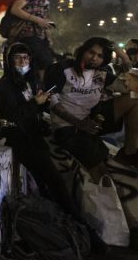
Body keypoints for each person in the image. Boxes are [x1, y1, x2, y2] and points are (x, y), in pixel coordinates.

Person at [0, 43, 105, 247]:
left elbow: (36, 109)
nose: (22, 62)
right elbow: (13, 117)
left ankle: (67, 228)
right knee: (56, 184)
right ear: (9, 61)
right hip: (21, 139)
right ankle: (85, 231)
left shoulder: (30, 81)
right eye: (17, 58)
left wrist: (45, 103)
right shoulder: (5, 85)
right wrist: (34, 104)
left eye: (26, 58)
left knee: (52, 185)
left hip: (36, 136)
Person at [44, 37, 119, 181]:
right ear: (83, 50)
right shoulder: (61, 69)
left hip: (88, 128)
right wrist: (79, 123)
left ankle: (130, 152)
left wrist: (121, 54)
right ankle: (102, 202)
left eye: (100, 56)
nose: (94, 58)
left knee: (104, 172)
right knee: (99, 174)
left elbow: (130, 85)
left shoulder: (101, 75)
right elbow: (52, 101)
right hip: (67, 129)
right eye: (91, 52)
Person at [3, 0, 65, 76]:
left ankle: (40, 86)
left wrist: (47, 34)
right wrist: (38, 20)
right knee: (45, 61)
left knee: (55, 61)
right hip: (27, 33)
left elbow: (41, 15)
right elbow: (15, 9)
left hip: (40, 35)